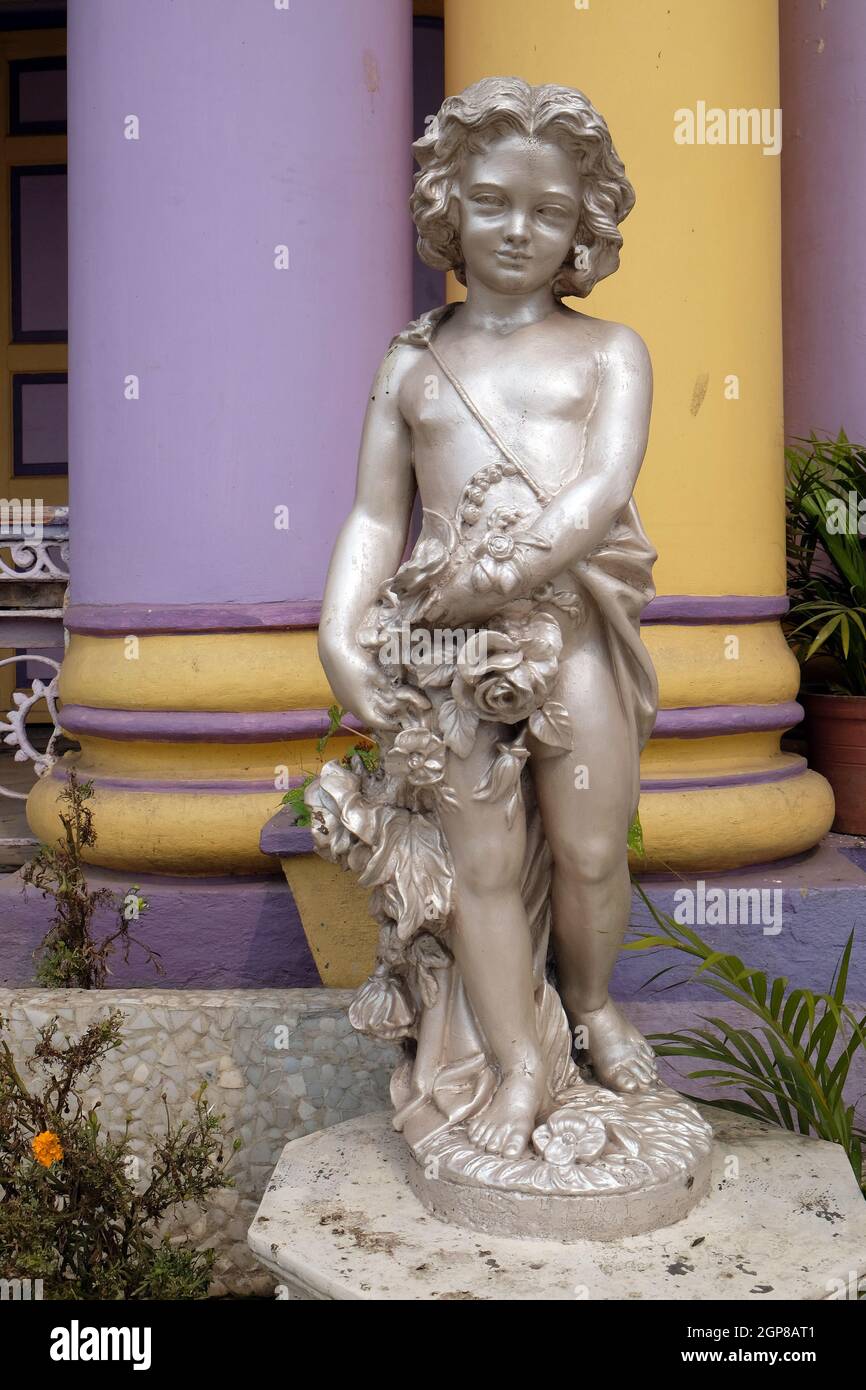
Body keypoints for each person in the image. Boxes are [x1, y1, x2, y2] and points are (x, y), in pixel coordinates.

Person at [317, 78, 659, 1160]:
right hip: (440, 650)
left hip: (568, 623)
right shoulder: (411, 362)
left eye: (548, 209)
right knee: (477, 871)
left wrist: (497, 573)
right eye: (492, 200)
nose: (518, 228)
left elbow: (598, 495)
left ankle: (594, 1003)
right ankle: (517, 1065)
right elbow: (376, 514)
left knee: (590, 847)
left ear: (583, 226)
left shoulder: (610, 352)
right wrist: (338, 632)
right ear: (445, 207)